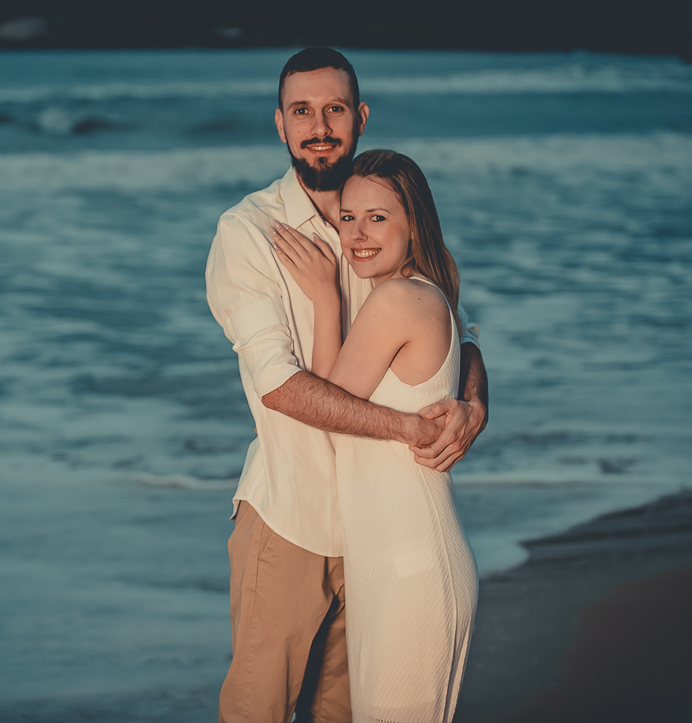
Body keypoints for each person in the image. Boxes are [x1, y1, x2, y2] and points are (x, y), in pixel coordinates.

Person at [205, 47, 488, 723]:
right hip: (294, 518)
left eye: (334, 109)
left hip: (381, 531)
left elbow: (461, 334)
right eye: (302, 111)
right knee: (259, 712)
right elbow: (280, 386)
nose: (319, 126)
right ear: (280, 124)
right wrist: (406, 427)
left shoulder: (387, 215)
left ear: (359, 116)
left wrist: (474, 402)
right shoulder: (249, 234)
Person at [271, 149, 477, 723]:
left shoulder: (396, 300)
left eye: (377, 218)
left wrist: (324, 297)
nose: (357, 235)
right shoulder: (424, 295)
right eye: (348, 218)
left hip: (410, 568)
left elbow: (327, 407)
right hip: (397, 562)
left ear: (415, 223)